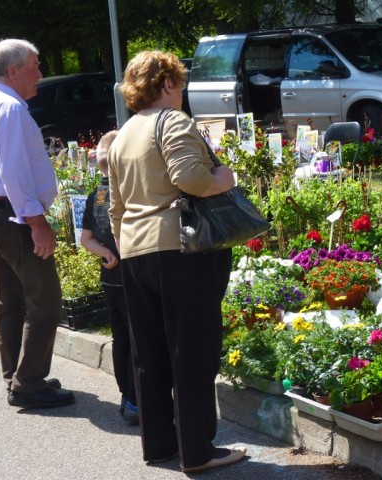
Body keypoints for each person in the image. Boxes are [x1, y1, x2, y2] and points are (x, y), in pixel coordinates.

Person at [107, 50, 246, 472]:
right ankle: (198, 451)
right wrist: (224, 178)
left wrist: (129, 243)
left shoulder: (123, 134)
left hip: (135, 250)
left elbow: (115, 207)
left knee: (149, 353)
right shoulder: (174, 122)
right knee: (192, 349)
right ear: (167, 84)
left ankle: (160, 445)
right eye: (180, 83)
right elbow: (190, 177)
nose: (181, 91)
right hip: (181, 250)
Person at [0, 39, 74, 409]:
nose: (40, 73)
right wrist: (37, 224)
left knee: (9, 301)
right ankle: (29, 383)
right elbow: (14, 173)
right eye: (34, 66)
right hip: (11, 216)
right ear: (13, 71)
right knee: (46, 301)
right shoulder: (9, 108)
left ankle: (17, 376)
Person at [80, 130, 138, 425]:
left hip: (110, 276)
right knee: (140, 335)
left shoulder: (95, 196)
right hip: (133, 276)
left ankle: (126, 395)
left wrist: (105, 253)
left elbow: (85, 239)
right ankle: (139, 397)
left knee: (120, 337)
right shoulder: (126, 192)